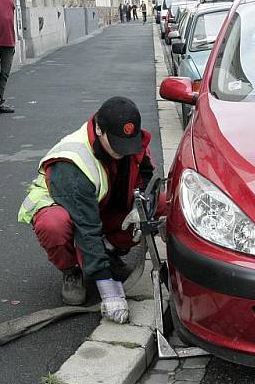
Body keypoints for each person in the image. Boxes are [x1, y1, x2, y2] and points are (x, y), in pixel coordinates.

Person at [18, 97, 162, 323]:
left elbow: (145, 174)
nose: (122, 152)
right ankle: (72, 269)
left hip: (101, 204)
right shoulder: (72, 162)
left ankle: (108, 252)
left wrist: (141, 203)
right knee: (54, 225)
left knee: (159, 203)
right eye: (116, 145)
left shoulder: (129, 140)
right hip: (66, 207)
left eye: (126, 145)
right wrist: (109, 291)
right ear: (98, 129)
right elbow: (86, 227)